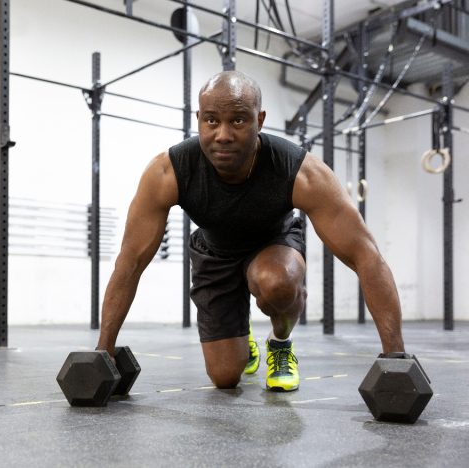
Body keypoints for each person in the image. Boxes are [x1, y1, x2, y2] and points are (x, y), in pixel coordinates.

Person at [96, 70, 405, 392]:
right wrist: (104, 349)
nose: (224, 134)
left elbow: (365, 255)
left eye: (239, 121)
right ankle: (242, 338)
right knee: (225, 377)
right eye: (212, 121)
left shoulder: (300, 172)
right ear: (199, 119)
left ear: (260, 120)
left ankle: (280, 342)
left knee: (277, 284)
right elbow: (130, 261)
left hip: (273, 245)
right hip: (214, 253)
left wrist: (395, 356)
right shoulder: (168, 171)